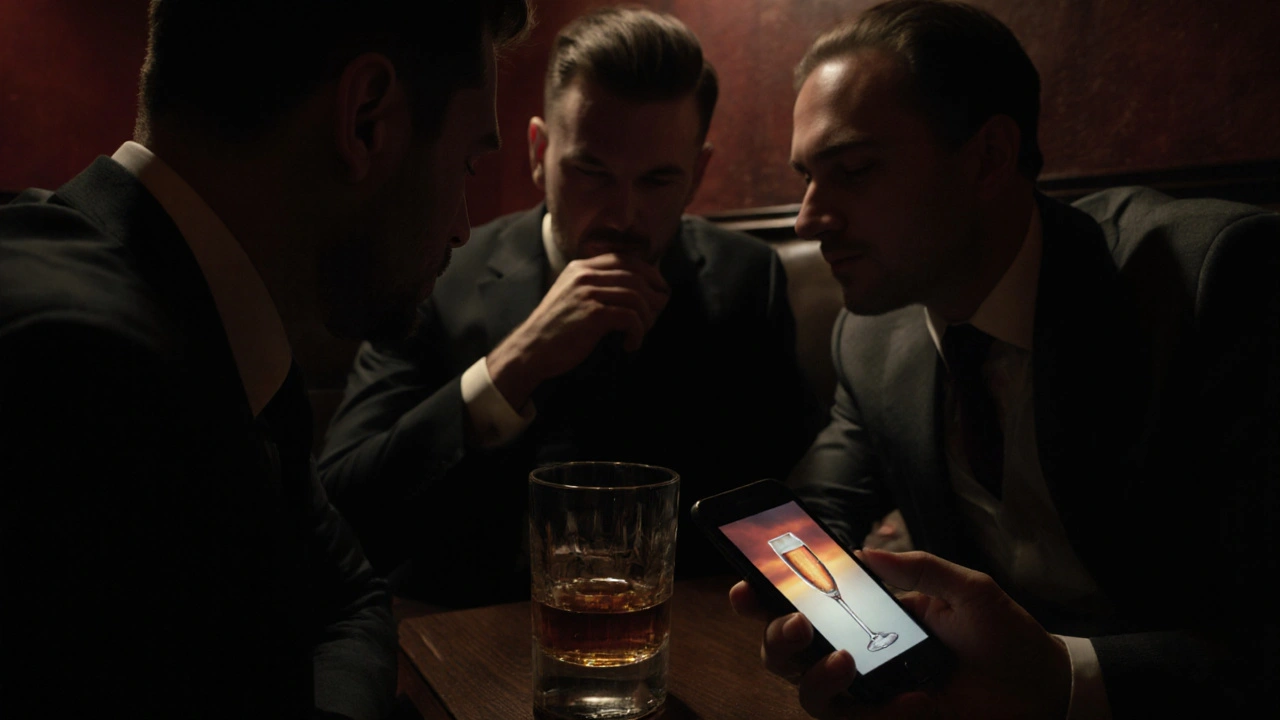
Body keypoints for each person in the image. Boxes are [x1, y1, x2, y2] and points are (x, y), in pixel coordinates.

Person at [731, 1, 1279, 717]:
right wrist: (813, 617)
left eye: (855, 169)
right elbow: (818, 510)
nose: (806, 217)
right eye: (807, 176)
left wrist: (1060, 675)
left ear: (989, 156)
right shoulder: (871, 338)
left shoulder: (1215, 281)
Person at [0, 1, 530, 717]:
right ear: (367, 119)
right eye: (468, 163)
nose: (466, 226)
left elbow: (348, 595)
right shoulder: (82, 381)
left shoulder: (201, 321)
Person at [319, 7, 822, 608]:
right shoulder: (436, 272)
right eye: (592, 172)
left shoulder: (747, 280)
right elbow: (339, 514)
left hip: (680, 640)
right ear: (539, 152)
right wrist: (515, 364)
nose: (623, 214)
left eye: (658, 180)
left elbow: (778, 508)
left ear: (698, 174)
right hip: (459, 642)